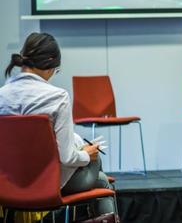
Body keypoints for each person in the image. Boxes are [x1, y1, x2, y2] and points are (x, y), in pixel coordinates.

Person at [0, 33, 115, 216]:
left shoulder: (2, 95)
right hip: (47, 184)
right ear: (51, 62)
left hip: (7, 186)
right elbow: (67, 158)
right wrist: (87, 153)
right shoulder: (57, 97)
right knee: (100, 174)